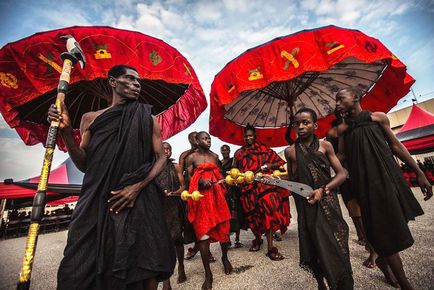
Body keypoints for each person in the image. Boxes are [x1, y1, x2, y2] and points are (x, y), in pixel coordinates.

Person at [49, 64, 175, 290]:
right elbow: (85, 164)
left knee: (142, 264)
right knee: (77, 265)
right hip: (97, 199)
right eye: (130, 79)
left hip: (139, 199)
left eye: (139, 81)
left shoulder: (147, 117)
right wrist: (66, 133)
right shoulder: (89, 119)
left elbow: (161, 158)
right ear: (113, 82)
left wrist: (137, 187)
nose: (136, 84)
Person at [335, 87, 433, 290]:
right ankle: (403, 281)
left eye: (340, 99)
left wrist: (419, 172)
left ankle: (380, 256)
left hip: (388, 179)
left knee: (393, 223)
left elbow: (396, 146)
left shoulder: (378, 118)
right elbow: (342, 157)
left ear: (355, 98)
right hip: (364, 184)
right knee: (381, 229)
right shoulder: (343, 130)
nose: (336, 104)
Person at [284, 108, 353, 289]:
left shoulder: (325, 146)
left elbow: (342, 174)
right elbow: (293, 181)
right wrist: (272, 181)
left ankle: (342, 283)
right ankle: (321, 283)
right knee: (314, 246)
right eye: (296, 123)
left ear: (315, 125)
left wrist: (323, 189)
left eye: (305, 122)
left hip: (328, 202)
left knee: (336, 244)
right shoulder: (290, 151)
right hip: (306, 206)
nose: (300, 126)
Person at [233, 125, 290, 260]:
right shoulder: (239, 153)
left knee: (268, 211)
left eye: (250, 135)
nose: (248, 138)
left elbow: (281, 163)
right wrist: (237, 179)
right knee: (254, 216)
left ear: (255, 135)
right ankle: (258, 239)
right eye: (246, 136)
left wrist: (270, 166)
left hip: (265, 186)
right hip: (247, 190)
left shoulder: (265, 150)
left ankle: (271, 248)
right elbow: (234, 170)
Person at [185, 131, 233, 290]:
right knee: (203, 234)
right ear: (197, 141)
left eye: (209, 138)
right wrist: (199, 182)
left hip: (217, 198)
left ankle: (225, 258)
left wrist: (227, 181)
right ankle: (208, 274)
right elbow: (187, 178)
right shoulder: (191, 158)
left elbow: (220, 175)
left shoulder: (214, 156)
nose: (208, 141)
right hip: (201, 201)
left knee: (224, 230)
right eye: (204, 138)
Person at [155, 142, 187, 289]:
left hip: (174, 206)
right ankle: (166, 280)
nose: (166, 151)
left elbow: (183, 186)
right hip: (159, 208)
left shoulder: (176, 167)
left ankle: (181, 266)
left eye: (169, 149)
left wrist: (175, 192)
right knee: (161, 243)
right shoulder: (153, 167)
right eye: (164, 149)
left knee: (177, 240)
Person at [220, 144, 244, 248]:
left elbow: (237, 172)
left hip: (234, 190)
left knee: (236, 214)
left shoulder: (233, 160)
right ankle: (228, 239)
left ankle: (237, 239)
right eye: (223, 150)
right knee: (227, 215)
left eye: (226, 150)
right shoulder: (220, 163)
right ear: (221, 151)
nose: (225, 152)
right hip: (225, 191)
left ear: (229, 151)